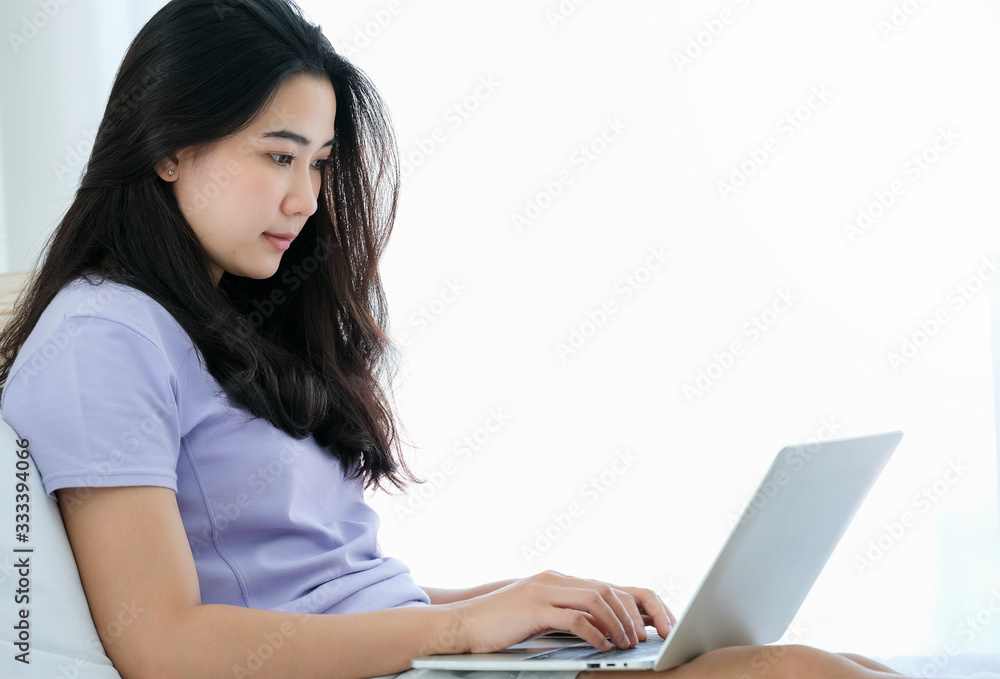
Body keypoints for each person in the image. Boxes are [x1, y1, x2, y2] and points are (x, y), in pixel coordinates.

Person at [0, 1, 923, 678]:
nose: (307, 200)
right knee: (794, 674)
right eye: (278, 155)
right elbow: (166, 645)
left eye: (320, 165)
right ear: (167, 146)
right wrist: (460, 629)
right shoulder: (101, 337)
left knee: (842, 664)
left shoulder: (230, 320)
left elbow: (329, 591)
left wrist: (518, 604)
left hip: (400, 660)